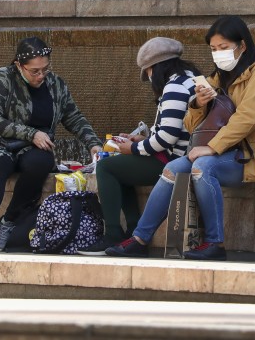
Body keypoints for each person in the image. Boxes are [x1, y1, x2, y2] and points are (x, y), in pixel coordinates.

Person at [106, 15, 255, 260]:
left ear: (242, 45)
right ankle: (140, 238)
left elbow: (248, 118)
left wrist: (212, 148)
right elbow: (192, 125)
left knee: (202, 166)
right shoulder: (216, 77)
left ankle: (215, 243)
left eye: (224, 48)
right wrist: (197, 105)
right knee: (173, 168)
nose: (218, 54)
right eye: (214, 49)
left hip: (254, 156)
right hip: (226, 152)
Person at [0, 37, 102, 252]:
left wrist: (94, 144)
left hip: (32, 149)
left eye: (45, 69)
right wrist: (31, 133)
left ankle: (9, 221)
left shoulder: (55, 84)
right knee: (0, 164)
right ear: (19, 65)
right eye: (34, 71)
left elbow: (74, 117)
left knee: (41, 162)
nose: (41, 75)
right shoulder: (3, 78)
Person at [78, 38, 199, 254]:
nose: (150, 78)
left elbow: (167, 138)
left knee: (107, 168)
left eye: (149, 72)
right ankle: (133, 231)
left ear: (157, 67)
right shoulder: (189, 79)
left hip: (174, 161)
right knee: (119, 166)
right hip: (181, 155)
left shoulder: (174, 87)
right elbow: (172, 130)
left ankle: (113, 234)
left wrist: (132, 149)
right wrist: (141, 140)